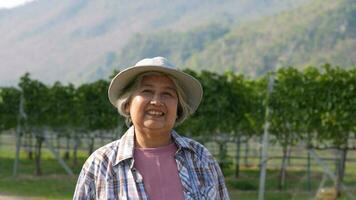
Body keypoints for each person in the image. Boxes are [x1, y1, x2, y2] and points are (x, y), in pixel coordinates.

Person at [73, 57, 230, 200]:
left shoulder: (201, 158)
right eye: (147, 91)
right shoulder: (101, 163)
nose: (156, 101)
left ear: (178, 109)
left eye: (167, 94)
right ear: (128, 104)